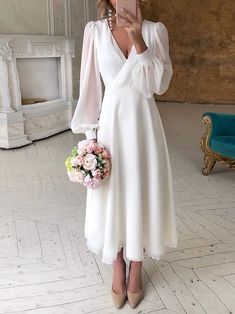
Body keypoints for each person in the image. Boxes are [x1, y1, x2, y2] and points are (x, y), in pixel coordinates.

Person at [71, 0, 177, 309]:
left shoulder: (156, 31)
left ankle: (137, 268)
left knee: (141, 193)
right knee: (113, 195)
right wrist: (90, 139)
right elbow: (90, 87)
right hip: (110, 128)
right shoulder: (94, 32)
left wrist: (139, 39)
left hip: (144, 128)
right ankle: (117, 266)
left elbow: (160, 84)